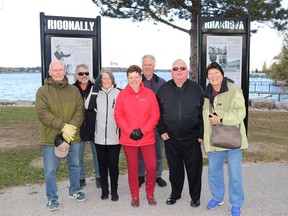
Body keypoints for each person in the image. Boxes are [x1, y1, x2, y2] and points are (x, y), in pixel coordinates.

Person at [35, 60, 86, 211]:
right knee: (50, 170)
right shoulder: (42, 91)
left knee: (75, 165)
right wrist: (64, 126)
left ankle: (75, 190)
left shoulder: (73, 90)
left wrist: (71, 127)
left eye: (61, 70)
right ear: (50, 72)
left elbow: (80, 110)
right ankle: (52, 198)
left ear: (65, 71)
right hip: (51, 138)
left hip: (73, 137)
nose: (58, 72)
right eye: (55, 70)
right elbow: (42, 113)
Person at [202, 62, 248, 216]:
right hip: (214, 140)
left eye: (216, 72)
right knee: (214, 172)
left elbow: (240, 113)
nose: (213, 76)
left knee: (235, 174)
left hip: (233, 140)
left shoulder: (233, 89)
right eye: (210, 74)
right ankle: (217, 197)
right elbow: (204, 118)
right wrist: (202, 136)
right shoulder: (206, 94)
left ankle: (236, 203)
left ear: (221, 74)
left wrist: (220, 119)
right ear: (207, 77)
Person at [156, 59, 204, 207]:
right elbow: (157, 113)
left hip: (192, 138)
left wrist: (201, 133)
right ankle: (175, 194)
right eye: (175, 68)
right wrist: (162, 130)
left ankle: (195, 197)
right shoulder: (163, 89)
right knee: (175, 169)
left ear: (187, 71)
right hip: (171, 138)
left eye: (182, 68)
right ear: (171, 71)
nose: (179, 71)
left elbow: (203, 113)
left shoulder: (196, 89)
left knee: (194, 170)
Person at [114, 65, 160, 207]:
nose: (134, 80)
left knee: (151, 166)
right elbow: (118, 115)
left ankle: (150, 193)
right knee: (133, 168)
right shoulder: (122, 94)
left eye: (136, 77)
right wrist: (129, 132)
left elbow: (155, 114)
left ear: (141, 77)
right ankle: (135, 196)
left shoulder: (149, 94)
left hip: (146, 138)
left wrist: (143, 131)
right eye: (130, 77)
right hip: (129, 139)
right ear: (127, 78)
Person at [85, 69, 121, 202]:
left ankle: (114, 191)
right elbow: (88, 106)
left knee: (113, 165)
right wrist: (94, 89)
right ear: (100, 80)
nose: (106, 80)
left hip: (115, 137)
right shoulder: (96, 93)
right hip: (99, 137)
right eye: (103, 78)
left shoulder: (119, 93)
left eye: (108, 78)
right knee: (102, 165)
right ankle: (104, 190)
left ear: (112, 79)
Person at [138, 54, 167, 188]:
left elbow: (166, 105)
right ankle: (141, 175)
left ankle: (157, 176)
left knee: (158, 152)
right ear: (142, 66)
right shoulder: (136, 82)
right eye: (145, 65)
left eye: (150, 64)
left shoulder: (162, 83)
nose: (147, 67)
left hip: (157, 125)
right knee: (140, 153)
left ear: (154, 66)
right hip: (141, 125)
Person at [73, 64, 101, 189]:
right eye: (81, 73)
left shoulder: (96, 88)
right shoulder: (71, 89)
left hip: (94, 126)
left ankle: (99, 177)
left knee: (98, 154)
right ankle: (81, 178)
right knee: (78, 155)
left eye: (86, 73)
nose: (84, 76)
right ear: (76, 75)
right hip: (78, 127)